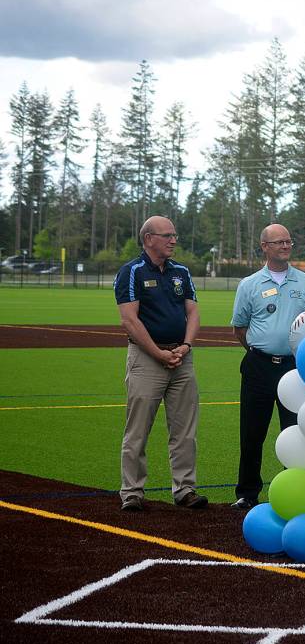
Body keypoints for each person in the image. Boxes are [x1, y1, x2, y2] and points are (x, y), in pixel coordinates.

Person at [113, 215, 206, 511]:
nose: (173, 240)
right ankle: (132, 492)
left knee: (184, 430)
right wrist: (158, 353)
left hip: (182, 358)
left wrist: (186, 346)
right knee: (138, 429)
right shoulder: (132, 272)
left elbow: (192, 312)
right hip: (147, 360)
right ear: (148, 238)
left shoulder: (181, 271)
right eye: (167, 235)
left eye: (174, 235)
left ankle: (185, 489)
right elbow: (129, 319)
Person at [229, 224, 305, 510]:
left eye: (289, 241)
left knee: (294, 431)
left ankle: (291, 488)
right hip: (258, 367)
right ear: (264, 246)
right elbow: (240, 327)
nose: (285, 246)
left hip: (294, 369)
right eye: (279, 242)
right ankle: (247, 492)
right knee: (252, 432)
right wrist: (262, 351)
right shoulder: (250, 284)